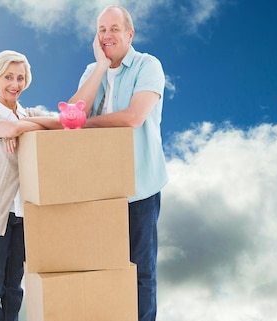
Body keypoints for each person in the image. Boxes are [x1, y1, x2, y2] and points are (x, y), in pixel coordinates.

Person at [68, 5, 168, 321]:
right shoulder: (91, 70)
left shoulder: (147, 66)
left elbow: (134, 117)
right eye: (101, 30)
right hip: (98, 189)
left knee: (140, 272)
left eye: (114, 28)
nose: (107, 35)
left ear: (129, 33)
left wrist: (86, 123)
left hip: (138, 188)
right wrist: (100, 67)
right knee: (101, 269)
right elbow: (72, 114)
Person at [0, 50, 59, 321]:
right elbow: (7, 130)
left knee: (14, 285)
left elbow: (60, 123)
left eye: (20, 78)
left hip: (24, 214)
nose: (15, 84)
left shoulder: (28, 113)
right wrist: (17, 129)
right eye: (8, 77)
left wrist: (20, 124)